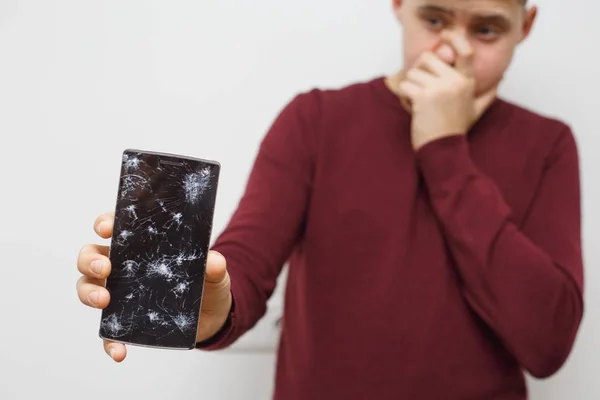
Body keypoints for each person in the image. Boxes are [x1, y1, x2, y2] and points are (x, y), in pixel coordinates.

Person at [76, 0, 585, 398]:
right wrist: (213, 308)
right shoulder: (316, 121)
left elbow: (548, 342)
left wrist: (443, 149)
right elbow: (246, 263)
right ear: (399, 6)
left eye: (487, 29)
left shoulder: (549, 144)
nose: (453, 52)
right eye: (433, 18)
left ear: (527, 25)